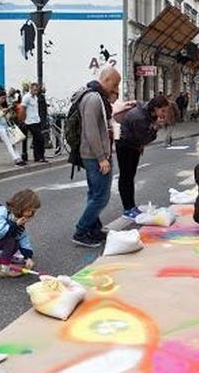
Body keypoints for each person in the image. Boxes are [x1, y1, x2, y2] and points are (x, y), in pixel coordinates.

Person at [71, 67, 120, 247]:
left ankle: (94, 229)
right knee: (101, 196)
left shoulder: (98, 97)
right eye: (115, 84)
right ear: (106, 80)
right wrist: (101, 157)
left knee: (94, 194)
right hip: (94, 155)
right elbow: (91, 130)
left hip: (96, 154)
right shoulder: (92, 99)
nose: (116, 89)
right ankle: (81, 231)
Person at [117, 94, 171, 218]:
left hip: (133, 145)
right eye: (163, 110)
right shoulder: (139, 117)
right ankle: (128, 208)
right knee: (126, 177)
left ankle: (131, 206)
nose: (164, 114)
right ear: (155, 108)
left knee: (129, 176)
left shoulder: (147, 112)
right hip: (126, 146)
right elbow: (144, 139)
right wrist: (156, 127)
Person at [0, 89, 26, 166]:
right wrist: (3, 113)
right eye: (2, 98)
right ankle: (15, 159)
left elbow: (7, 117)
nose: (3, 100)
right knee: (8, 143)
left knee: (13, 143)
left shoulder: (4, 105)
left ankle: (19, 158)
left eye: (4, 98)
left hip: (6, 126)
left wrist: (9, 114)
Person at [22, 82, 46, 163]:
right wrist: (23, 120)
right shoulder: (26, 97)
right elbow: (23, 109)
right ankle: (40, 156)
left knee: (36, 140)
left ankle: (37, 157)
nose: (36, 91)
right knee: (40, 139)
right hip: (30, 122)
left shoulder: (35, 98)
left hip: (36, 120)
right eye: (35, 90)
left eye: (37, 90)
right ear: (31, 89)